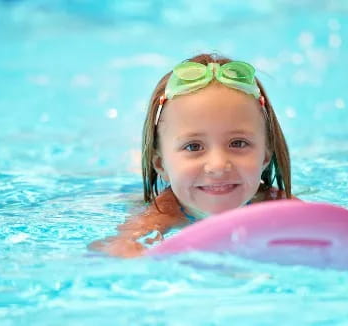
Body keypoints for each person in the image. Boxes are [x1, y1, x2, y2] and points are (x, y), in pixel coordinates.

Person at [90, 53, 294, 258]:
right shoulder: (165, 212)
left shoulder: (274, 203)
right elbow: (118, 249)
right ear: (160, 165)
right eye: (193, 147)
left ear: (266, 156)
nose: (218, 165)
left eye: (238, 143)